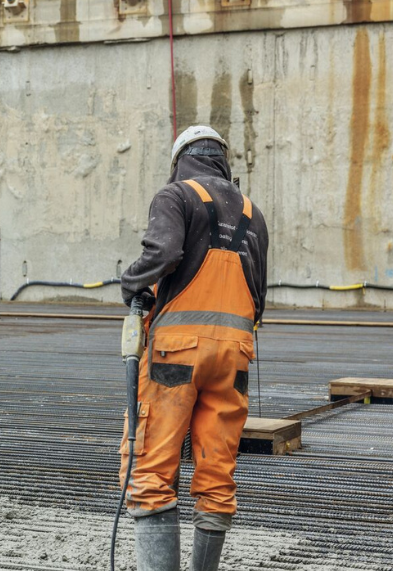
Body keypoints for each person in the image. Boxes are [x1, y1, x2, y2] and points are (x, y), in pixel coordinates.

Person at [119, 126, 269, 571]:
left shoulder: (175, 195)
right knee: (216, 472)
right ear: (222, 159)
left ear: (181, 159)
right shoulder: (252, 212)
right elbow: (258, 294)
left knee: (149, 468)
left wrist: (131, 285)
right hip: (234, 357)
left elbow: (162, 254)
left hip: (176, 356)